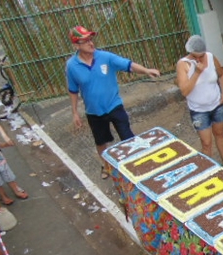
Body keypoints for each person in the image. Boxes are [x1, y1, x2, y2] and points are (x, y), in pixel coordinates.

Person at [66, 25, 161, 180]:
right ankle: (106, 165)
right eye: (85, 41)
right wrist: (75, 112)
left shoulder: (105, 57)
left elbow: (128, 65)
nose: (91, 43)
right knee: (101, 141)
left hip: (114, 105)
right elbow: (73, 90)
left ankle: (137, 163)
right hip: (94, 111)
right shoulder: (71, 66)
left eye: (91, 39)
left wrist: (146, 70)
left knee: (127, 136)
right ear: (76, 45)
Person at [176, 35, 223, 171]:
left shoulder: (210, 57)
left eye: (201, 55)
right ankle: (208, 170)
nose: (199, 59)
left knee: (220, 134)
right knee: (206, 142)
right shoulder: (183, 64)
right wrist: (197, 72)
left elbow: (221, 74)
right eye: (195, 56)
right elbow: (184, 91)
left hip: (216, 105)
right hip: (198, 110)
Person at [0, 120, 28, 205]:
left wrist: (7, 144)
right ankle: (3, 196)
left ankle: (16, 190)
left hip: (2, 162)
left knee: (10, 178)